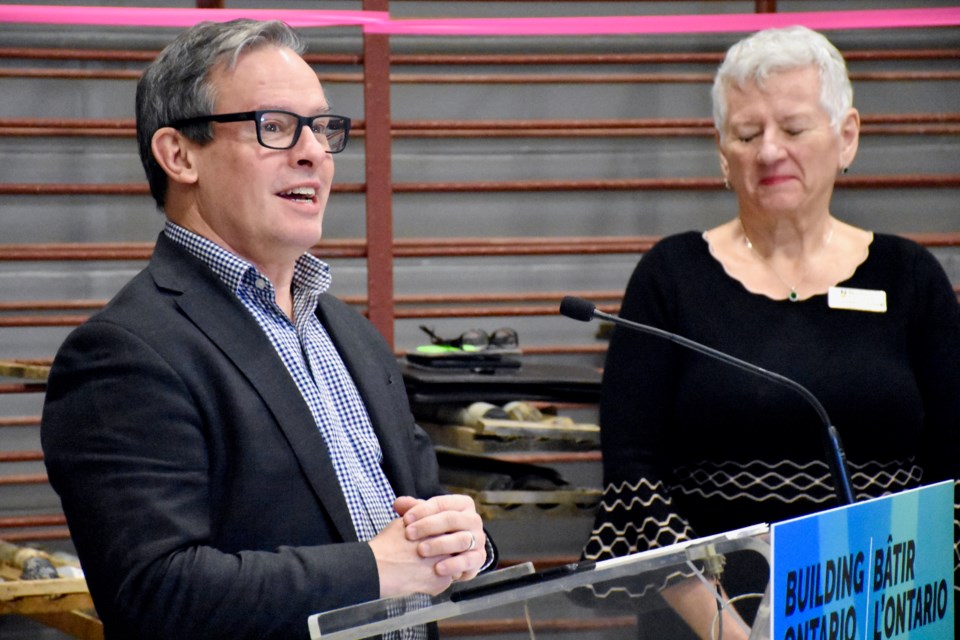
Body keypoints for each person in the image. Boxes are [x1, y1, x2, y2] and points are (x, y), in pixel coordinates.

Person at [40, 19, 494, 640]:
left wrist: (465, 540)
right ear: (179, 155)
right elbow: (153, 592)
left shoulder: (349, 334)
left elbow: (416, 526)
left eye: (323, 128)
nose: (313, 152)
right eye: (275, 127)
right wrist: (373, 569)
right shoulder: (125, 352)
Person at [581, 25, 960, 639]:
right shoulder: (670, 277)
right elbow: (635, 483)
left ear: (847, 137)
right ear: (721, 153)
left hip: (887, 615)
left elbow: (952, 473)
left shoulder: (910, 277)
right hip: (707, 624)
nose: (769, 151)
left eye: (793, 128)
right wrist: (735, 633)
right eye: (747, 133)